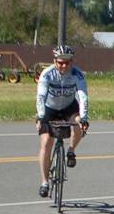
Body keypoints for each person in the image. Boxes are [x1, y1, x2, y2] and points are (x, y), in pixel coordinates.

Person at [36, 45, 90, 197]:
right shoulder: (47, 74)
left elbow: (83, 96)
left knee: (79, 123)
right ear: (54, 61)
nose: (63, 66)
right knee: (46, 142)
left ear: (72, 62)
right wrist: (41, 116)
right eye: (60, 62)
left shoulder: (77, 74)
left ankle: (71, 151)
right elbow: (40, 97)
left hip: (68, 107)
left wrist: (84, 118)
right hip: (49, 108)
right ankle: (44, 182)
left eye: (67, 63)